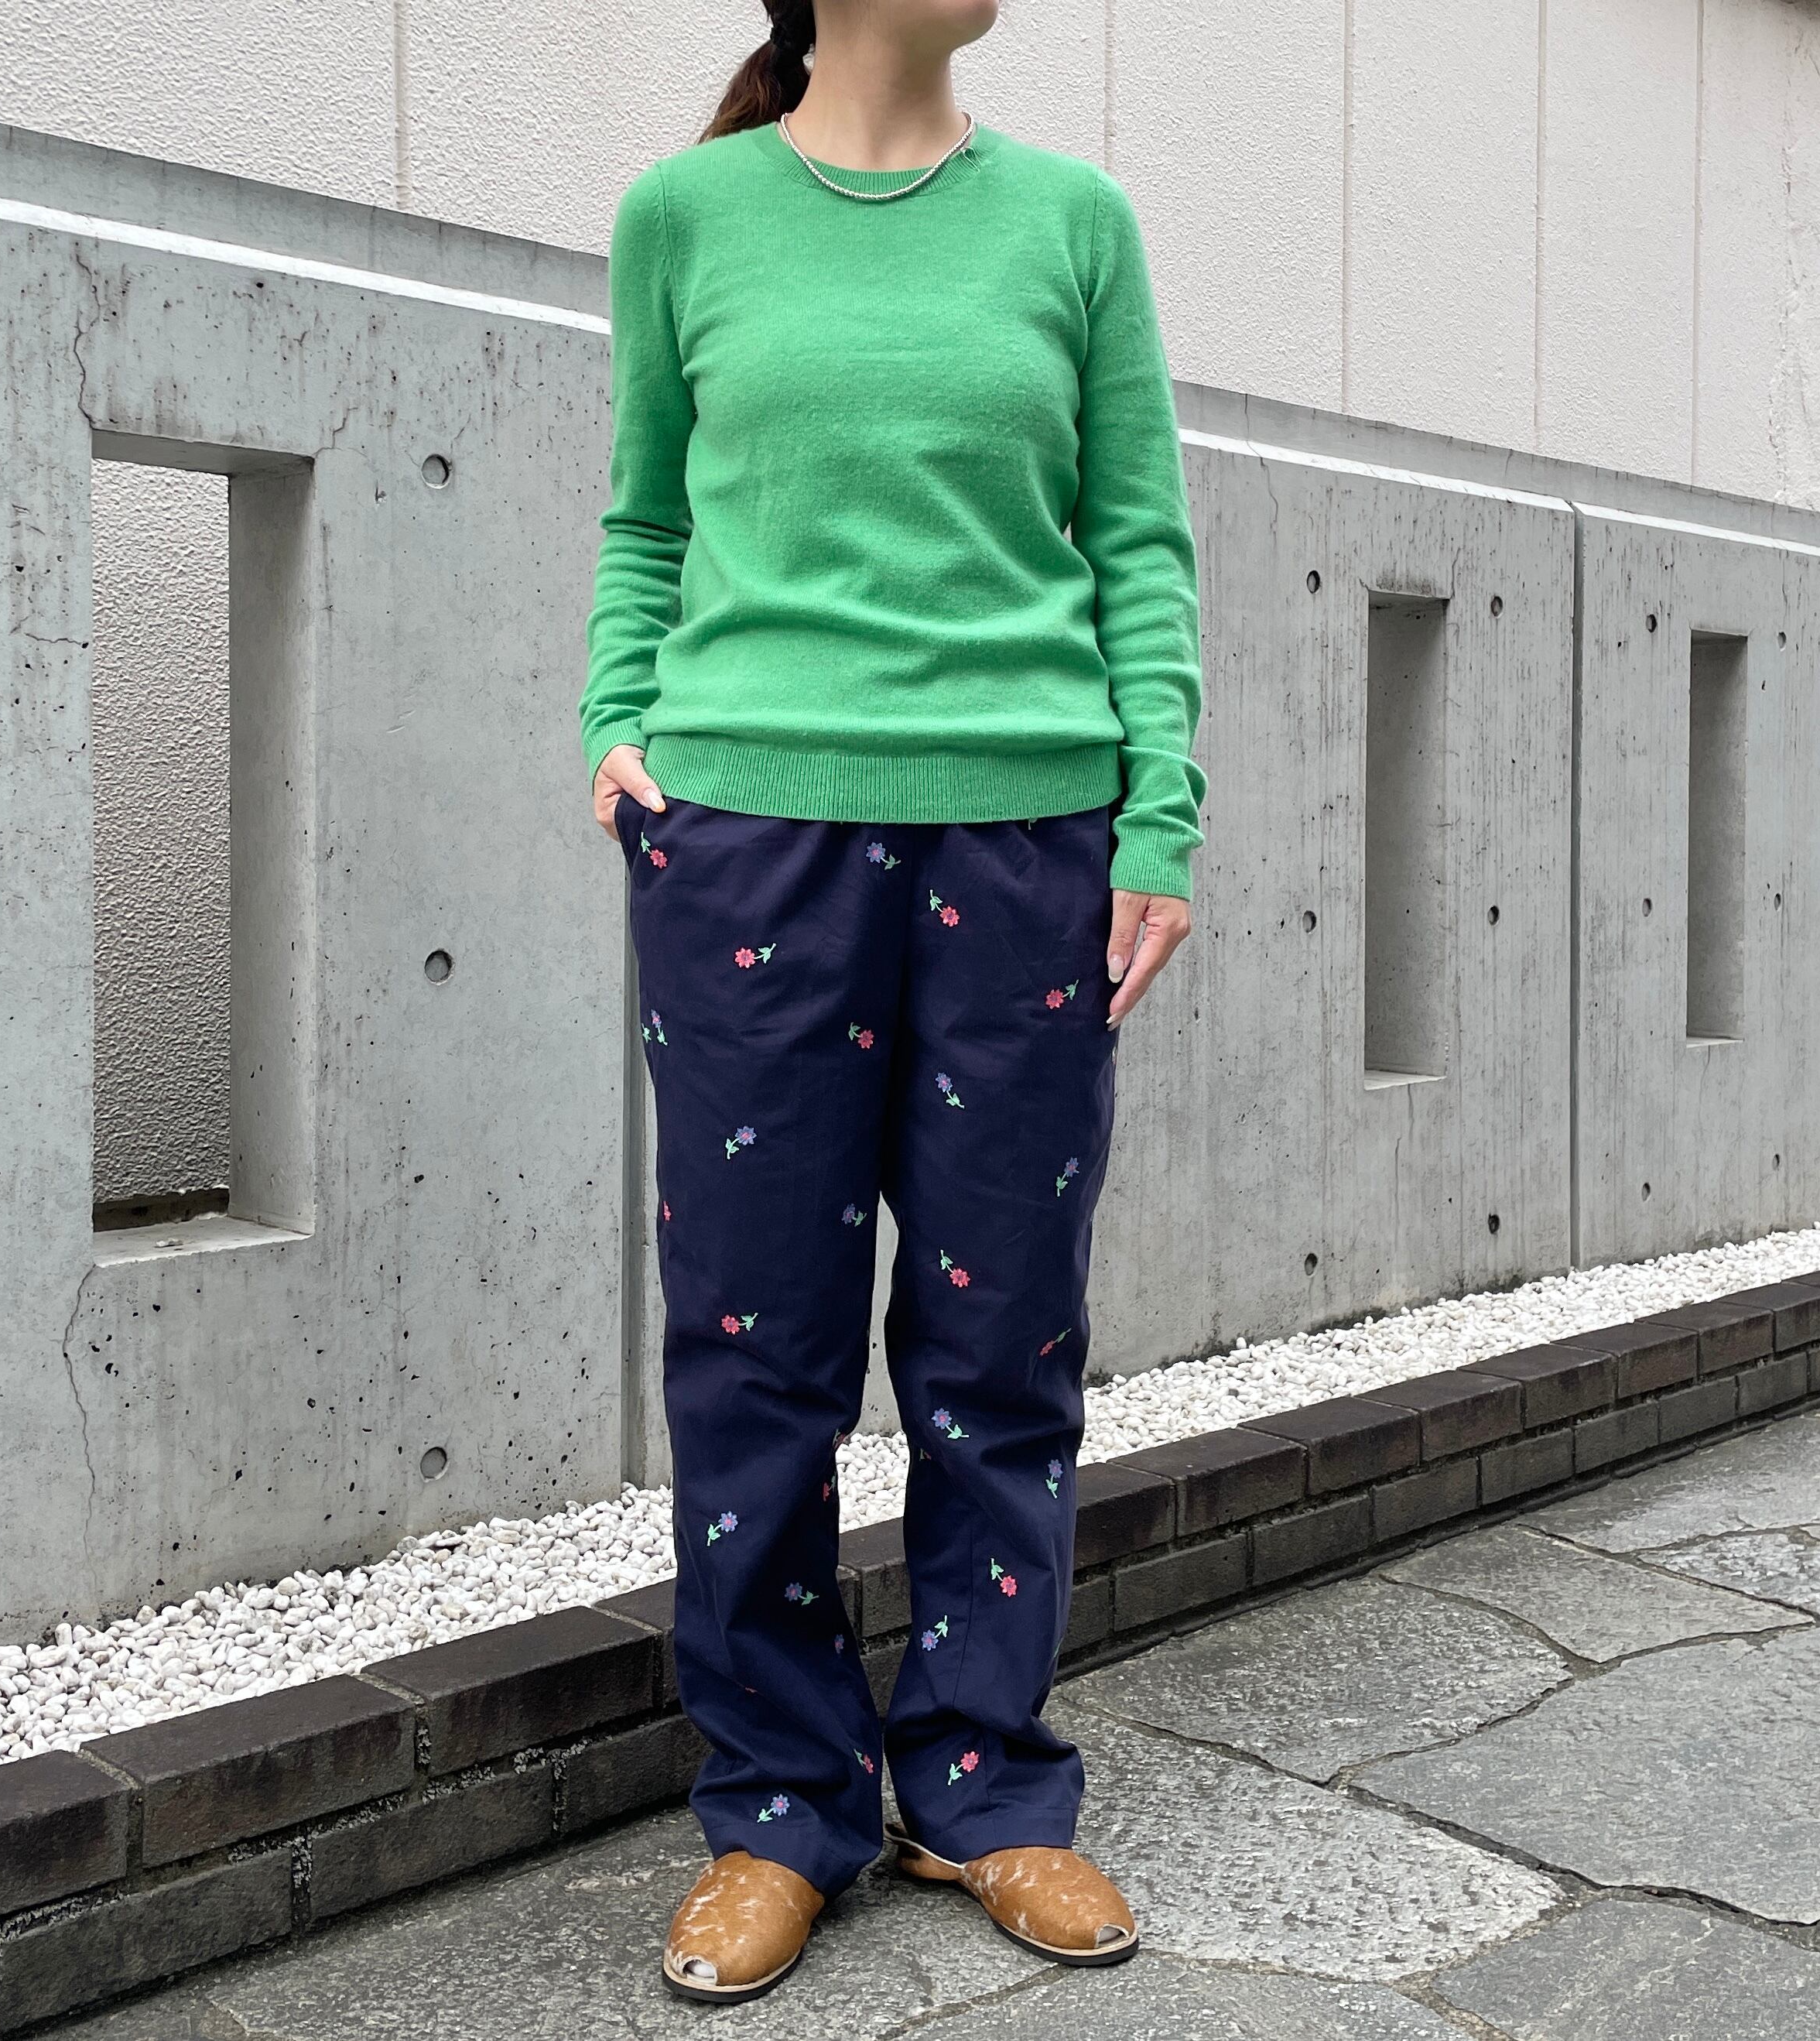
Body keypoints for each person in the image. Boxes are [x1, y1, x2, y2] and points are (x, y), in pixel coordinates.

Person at [578, 0, 1203, 2004]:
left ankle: (982, 1785)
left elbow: (1137, 539)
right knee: (751, 1344)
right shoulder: (685, 215)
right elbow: (647, 517)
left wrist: (1160, 815)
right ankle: (779, 1805)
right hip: (748, 835)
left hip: (1028, 838)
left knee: (1001, 1340)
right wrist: (615, 723)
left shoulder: (1074, 222)